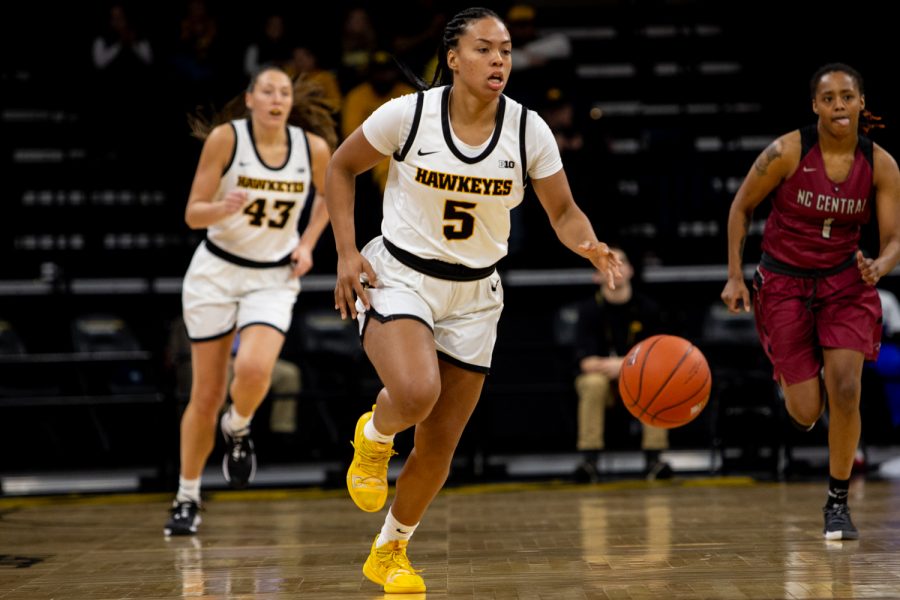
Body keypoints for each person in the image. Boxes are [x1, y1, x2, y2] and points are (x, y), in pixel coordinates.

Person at [325, 7, 621, 593]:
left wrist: (588, 244)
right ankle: (375, 435)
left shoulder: (527, 129)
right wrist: (345, 253)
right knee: (414, 392)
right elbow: (341, 167)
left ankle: (389, 552)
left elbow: (562, 211)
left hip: (477, 293)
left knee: (440, 444)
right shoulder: (408, 116)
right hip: (401, 275)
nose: (499, 61)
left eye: (506, 51)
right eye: (484, 49)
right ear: (453, 58)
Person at [721, 63, 900, 541]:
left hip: (845, 283)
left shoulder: (880, 164)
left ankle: (837, 502)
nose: (839, 105)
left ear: (862, 103)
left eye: (847, 97)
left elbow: (894, 240)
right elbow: (741, 207)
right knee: (805, 411)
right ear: (815, 106)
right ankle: (795, 372)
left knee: (846, 391)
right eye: (829, 98)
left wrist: (881, 266)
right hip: (784, 282)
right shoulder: (787, 152)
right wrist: (735, 276)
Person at [163, 65, 337, 537]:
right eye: (268, 90)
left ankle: (238, 428)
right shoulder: (227, 139)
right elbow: (192, 213)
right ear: (251, 99)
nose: (278, 98)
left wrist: (307, 243)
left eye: (284, 91)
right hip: (216, 271)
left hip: (272, 275)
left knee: (257, 370)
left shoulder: (312, 149)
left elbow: (333, 195)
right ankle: (187, 496)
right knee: (206, 395)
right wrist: (220, 208)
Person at [572, 246, 672, 483]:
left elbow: (658, 358)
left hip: (637, 383)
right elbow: (586, 363)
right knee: (593, 382)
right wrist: (628, 364)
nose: (614, 268)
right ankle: (590, 461)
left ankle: (654, 460)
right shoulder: (588, 310)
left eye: (620, 262)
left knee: (655, 380)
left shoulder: (648, 308)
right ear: (596, 275)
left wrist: (623, 365)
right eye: (606, 264)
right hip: (604, 384)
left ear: (630, 271)